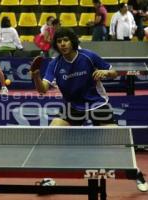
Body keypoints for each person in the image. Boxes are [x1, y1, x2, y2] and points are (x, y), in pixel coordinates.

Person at [31, 27, 148, 192]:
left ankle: (136, 173)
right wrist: (35, 75)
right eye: (59, 41)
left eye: (66, 40)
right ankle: (49, 177)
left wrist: (105, 73)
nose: (63, 44)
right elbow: (42, 89)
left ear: (72, 41)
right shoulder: (55, 63)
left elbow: (114, 72)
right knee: (51, 134)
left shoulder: (88, 56)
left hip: (96, 104)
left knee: (119, 140)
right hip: (72, 106)